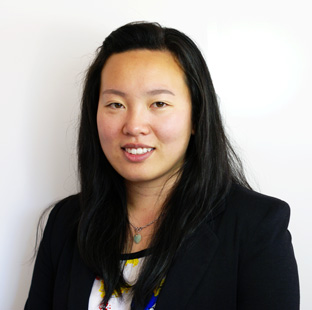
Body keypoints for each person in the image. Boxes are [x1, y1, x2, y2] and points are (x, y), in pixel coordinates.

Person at [25, 22, 299, 310]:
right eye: (116, 104)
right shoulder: (66, 222)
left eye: (158, 103)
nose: (134, 126)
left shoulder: (256, 226)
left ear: (196, 117)